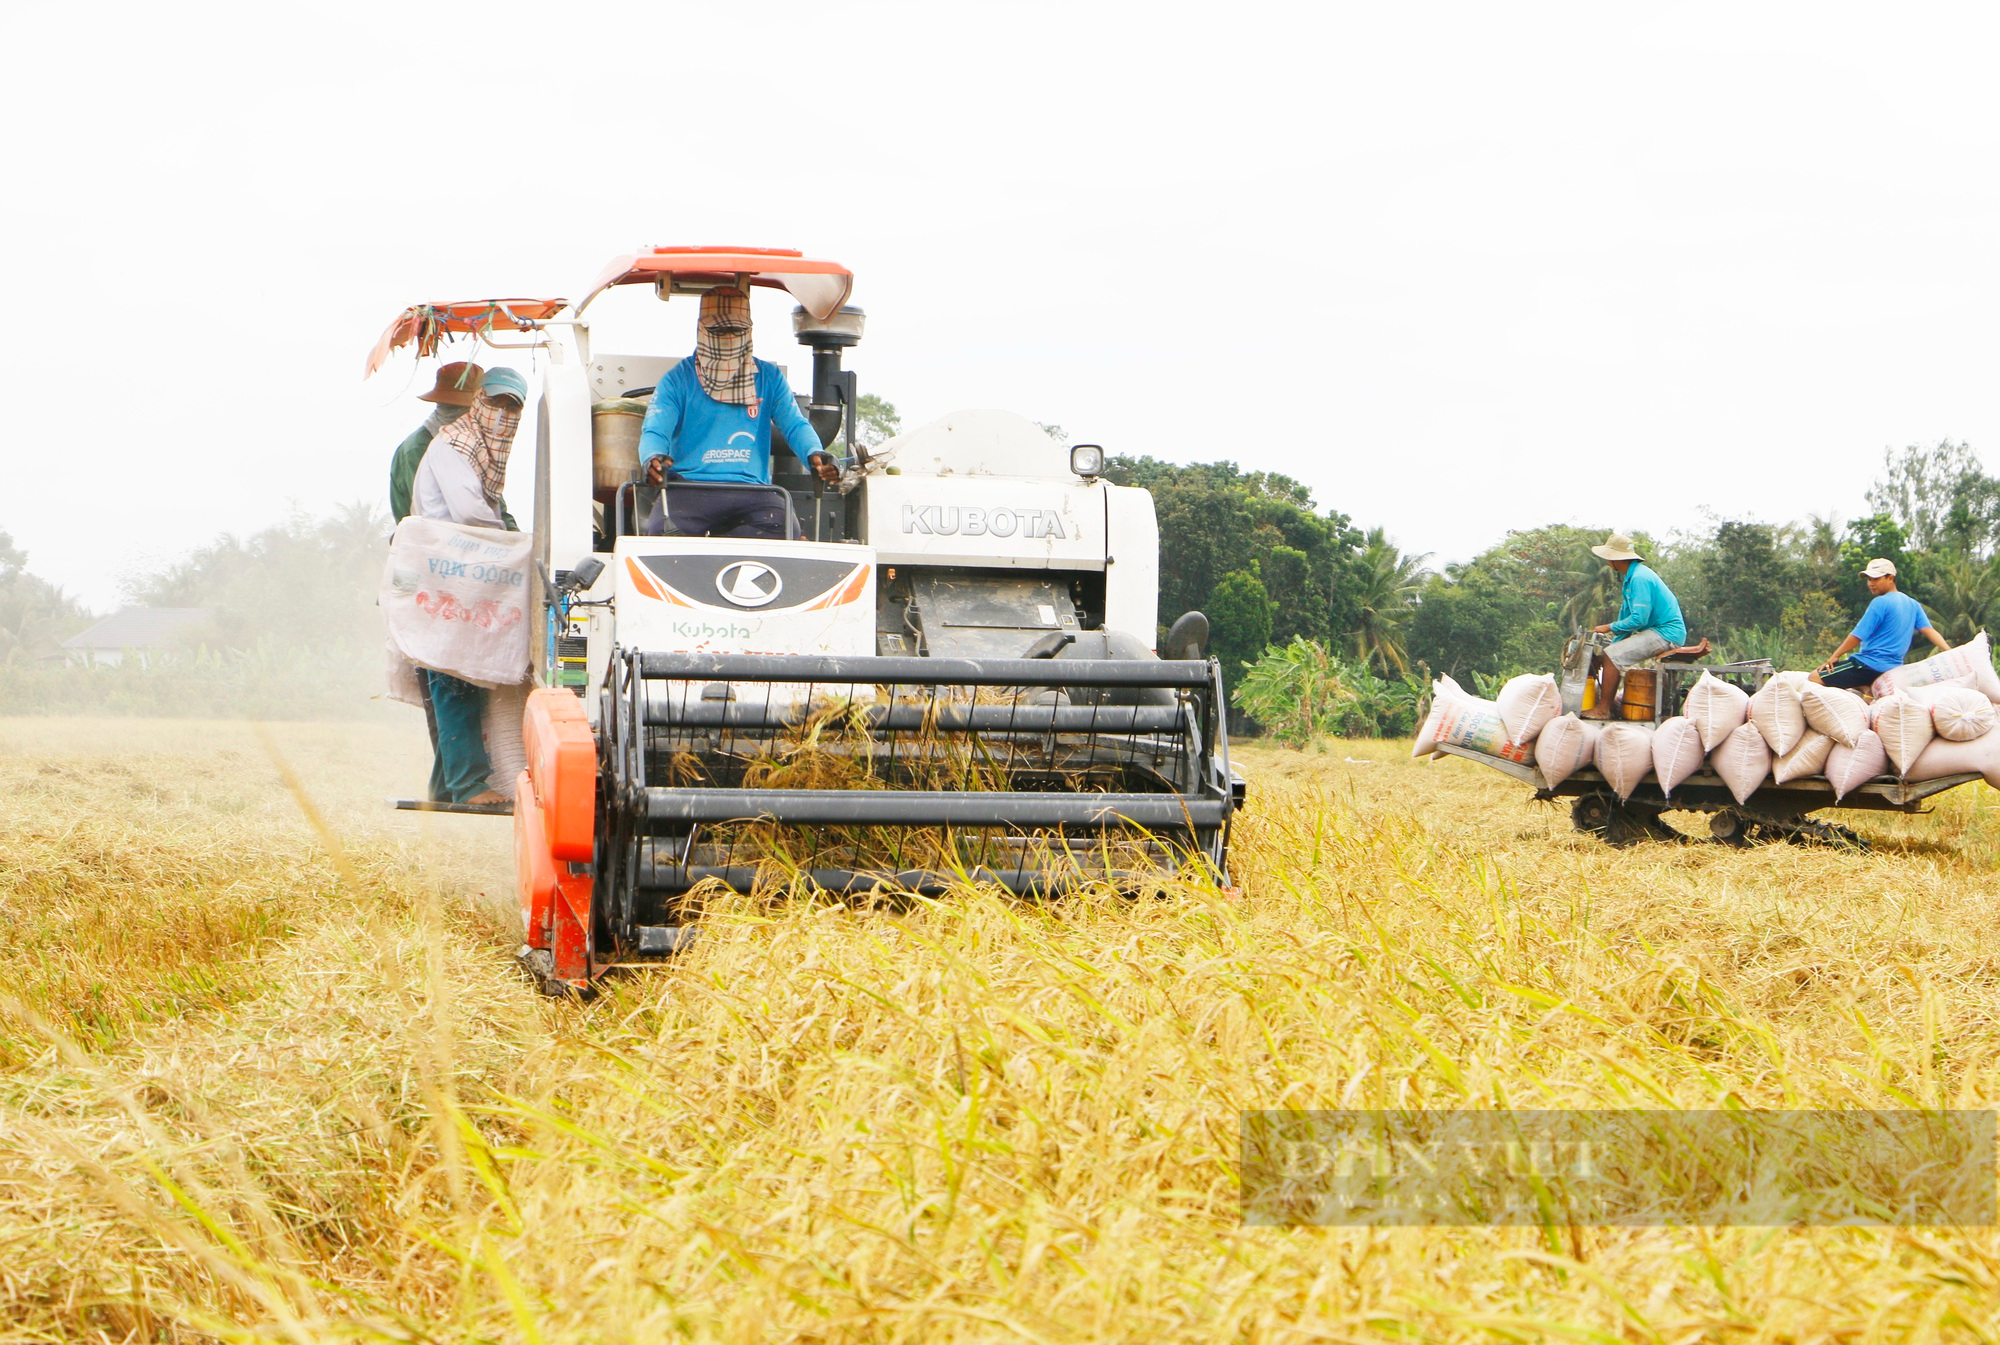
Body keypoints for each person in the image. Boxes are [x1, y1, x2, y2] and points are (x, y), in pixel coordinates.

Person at [636, 287, 844, 538]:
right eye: (718, 330)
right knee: (660, 534)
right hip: (689, 489)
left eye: (737, 330)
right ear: (701, 329)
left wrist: (814, 453)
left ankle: (717, 557)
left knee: (786, 529)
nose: (728, 338)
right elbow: (655, 429)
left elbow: (795, 425)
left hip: (753, 490)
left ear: (749, 330)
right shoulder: (678, 380)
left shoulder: (769, 378)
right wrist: (652, 457)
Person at [410, 367, 528, 806]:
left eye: (512, 406)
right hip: (447, 572)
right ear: (479, 401)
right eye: (495, 402)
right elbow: (469, 514)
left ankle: (446, 788)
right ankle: (467, 785)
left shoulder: (480, 450)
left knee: (460, 672)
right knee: (452, 674)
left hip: (464, 572)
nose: (503, 413)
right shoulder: (455, 445)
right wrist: (519, 545)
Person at [1583, 532, 1686, 719]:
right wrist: (1613, 643)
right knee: (1610, 654)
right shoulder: (1631, 579)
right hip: (1658, 631)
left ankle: (1603, 709)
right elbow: (1626, 617)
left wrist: (1608, 627)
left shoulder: (1640, 578)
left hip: (1666, 633)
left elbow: (1639, 620)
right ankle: (1602, 705)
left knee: (1612, 656)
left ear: (1615, 559)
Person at [1812, 558, 1950, 688]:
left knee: (1814, 677)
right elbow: (1929, 631)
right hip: (1893, 668)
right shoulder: (1913, 604)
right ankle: (1865, 688)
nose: (1871, 583)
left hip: (1868, 665)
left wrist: (1835, 656)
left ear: (1890, 578)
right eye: (1869, 579)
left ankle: (1863, 687)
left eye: (1876, 579)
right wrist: (1949, 651)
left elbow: (1858, 635)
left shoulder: (1880, 602)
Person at [389, 362, 485, 523]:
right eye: (454, 408)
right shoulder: (417, 449)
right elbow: (428, 514)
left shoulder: (474, 449)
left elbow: (495, 503)